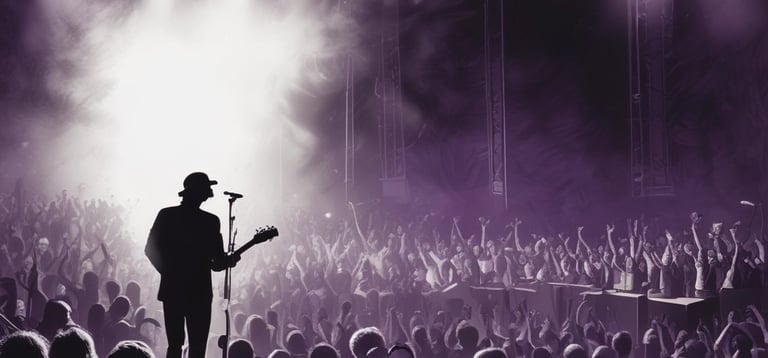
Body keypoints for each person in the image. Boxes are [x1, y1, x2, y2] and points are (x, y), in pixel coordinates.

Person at [144, 172, 241, 358]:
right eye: (207, 188)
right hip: (200, 293)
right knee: (197, 347)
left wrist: (169, 273)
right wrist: (231, 259)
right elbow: (217, 264)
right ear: (200, 191)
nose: (210, 192)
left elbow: (150, 249)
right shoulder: (210, 221)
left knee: (174, 345)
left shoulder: (166, 215)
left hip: (173, 290)